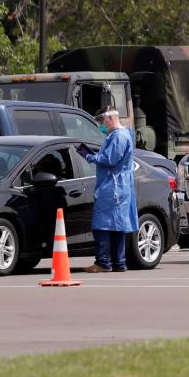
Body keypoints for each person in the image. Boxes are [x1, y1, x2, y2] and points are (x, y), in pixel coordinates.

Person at [79, 106, 138, 272]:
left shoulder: (118, 136)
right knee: (117, 226)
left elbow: (110, 159)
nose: (100, 125)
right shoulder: (123, 134)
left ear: (110, 118)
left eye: (101, 120)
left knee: (101, 225)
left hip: (113, 186)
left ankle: (103, 262)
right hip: (118, 186)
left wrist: (90, 157)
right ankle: (119, 263)